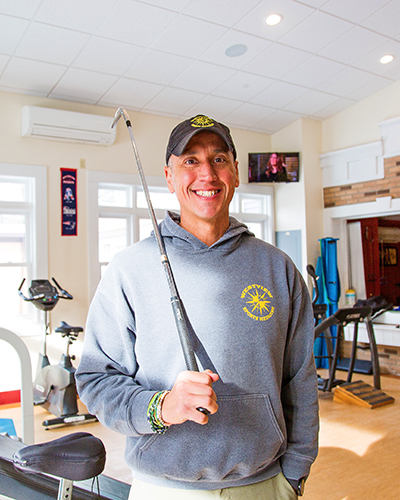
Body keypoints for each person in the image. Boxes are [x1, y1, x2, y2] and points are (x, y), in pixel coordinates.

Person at [76, 114, 319, 499]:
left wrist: (295, 472)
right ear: (169, 177)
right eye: (190, 160)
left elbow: (300, 380)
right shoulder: (130, 269)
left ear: (235, 173)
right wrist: (160, 407)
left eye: (219, 159)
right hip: (164, 487)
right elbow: (96, 379)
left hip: (265, 485)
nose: (207, 173)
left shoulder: (278, 268)